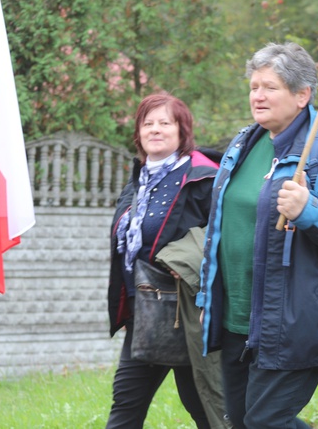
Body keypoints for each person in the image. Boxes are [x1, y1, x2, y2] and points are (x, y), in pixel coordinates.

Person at [197, 42, 318, 428]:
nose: (257, 96)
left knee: (266, 423)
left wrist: (309, 210)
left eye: (270, 87)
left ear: (302, 95)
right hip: (236, 320)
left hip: (292, 320)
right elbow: (221, 230)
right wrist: (206, 296)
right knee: (243, 423)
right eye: (254, 86)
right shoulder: (243, 145)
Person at [106, 93, 225, 428]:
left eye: (164, 123)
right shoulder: (138, 182)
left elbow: (222, 242)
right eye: (148, 123)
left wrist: (208, 302)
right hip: (144, 314)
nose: (155, 130)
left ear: (181, 130)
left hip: (189, 314)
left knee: (204, 406)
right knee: (125, 406)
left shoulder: (203, 178)